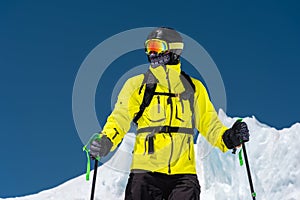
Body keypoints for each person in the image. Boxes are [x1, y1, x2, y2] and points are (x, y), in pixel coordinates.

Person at [89, 27, 249, 200]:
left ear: (173, 50)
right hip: (145, 172)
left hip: (183, 176)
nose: (151, 53)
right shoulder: (136, 85)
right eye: (148, 48)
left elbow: (209, 123)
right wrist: (106, 140)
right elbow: (120, 118)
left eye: (156, 47)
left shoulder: (194, 89)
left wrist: (229, 137)